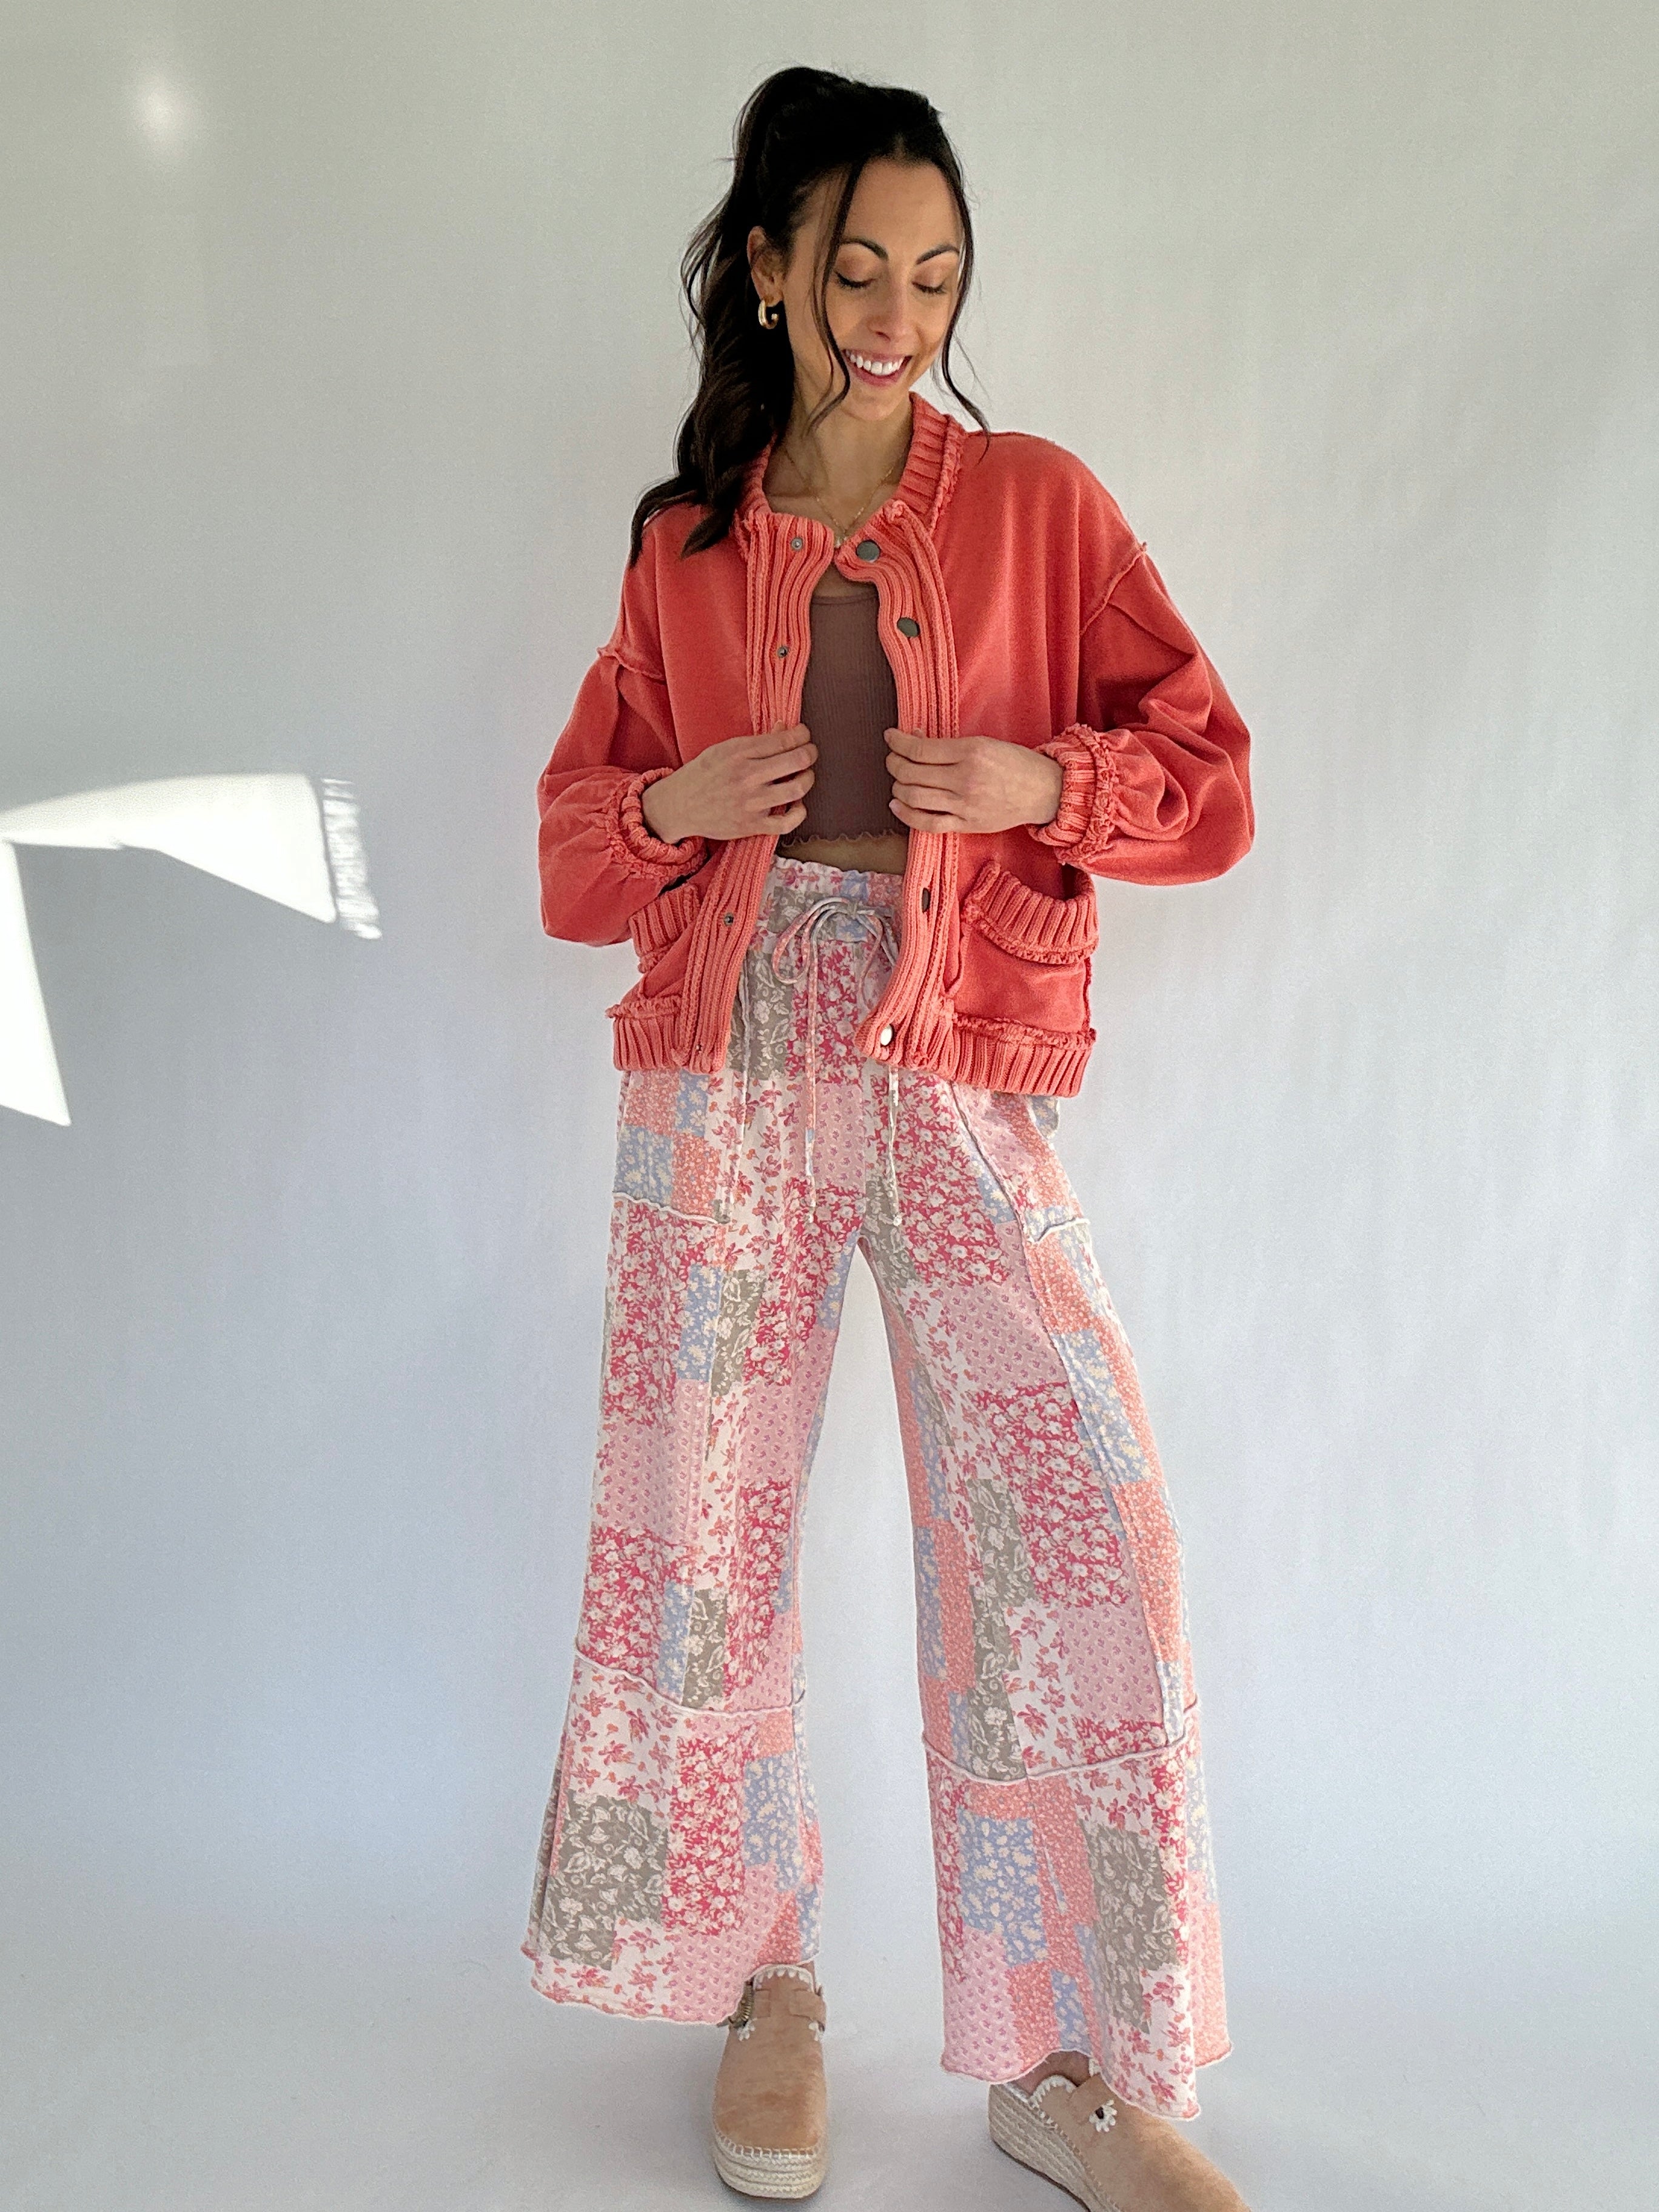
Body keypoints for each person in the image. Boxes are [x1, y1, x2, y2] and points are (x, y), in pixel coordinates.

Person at [522, 64, 1255, 2212]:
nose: (900, 309)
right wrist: (678, 805)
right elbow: (579, 839)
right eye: (858, 267)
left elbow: (1208, 775)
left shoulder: (1035, 500)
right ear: (765, 270)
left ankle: (1065, 2057)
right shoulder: (686, 540)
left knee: (1077, 1513)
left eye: (938, 273)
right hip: (729, 1051)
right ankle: (768, 1984)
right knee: (703, 1527)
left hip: (955, 1053)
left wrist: (1042, 785)